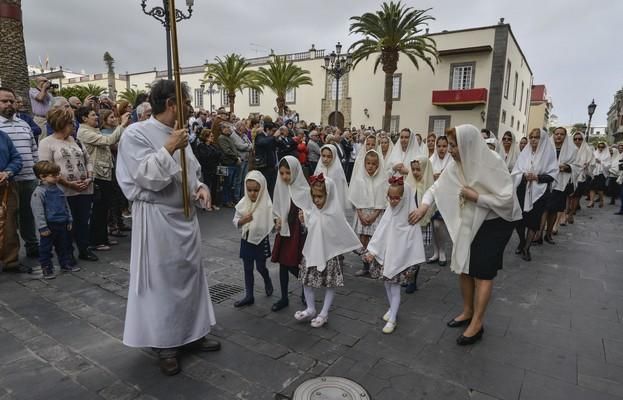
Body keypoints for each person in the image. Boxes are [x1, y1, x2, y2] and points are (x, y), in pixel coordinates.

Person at [115, 79, 219, 376]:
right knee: (163, 281)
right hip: (157, 218)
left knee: (190, 277)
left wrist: (200, 188)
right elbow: (143, 176)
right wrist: (169, 147)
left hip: (185, 218)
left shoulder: (180, 134)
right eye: (185, 102)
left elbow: (192, 172)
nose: (189, 107)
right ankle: (166, 343)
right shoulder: (136, 134)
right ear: (172, 104)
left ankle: (193, 334)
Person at [409, 124, 522, 346]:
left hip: (495, 224)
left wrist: (477, 197)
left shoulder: (493, 163)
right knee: (463, 268)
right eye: (449, 146)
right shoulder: (457, 164)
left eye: (453, 146)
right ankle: (467, 311)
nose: (449, 150)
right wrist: (424, 207)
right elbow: (436, 187)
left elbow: (507, 200)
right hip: (470, 221)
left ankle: (477, 323)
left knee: (482, 274)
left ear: (468, 145)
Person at [296, 173, 361, 328]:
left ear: (329, 195)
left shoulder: (335, 215)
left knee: (329, 284)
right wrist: (304, 219)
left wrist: (361, 250)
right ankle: (310, 308)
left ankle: (324, 313)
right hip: (312, 251)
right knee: (306, 280)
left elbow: (345, 233)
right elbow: (311, 227)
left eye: (320, 196)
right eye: (314, 196)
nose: (316, 200)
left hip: (330, 255)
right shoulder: (313, 210)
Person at [364, 176, 426, 333]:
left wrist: (407, 259)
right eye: (390, 198)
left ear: (403, 197)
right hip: (387, 256)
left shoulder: (409, 217)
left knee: (395, 287)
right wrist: (373, 250)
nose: (392, 202)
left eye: (396, 198)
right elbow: (381, 231)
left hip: (399, 259)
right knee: (387, 283)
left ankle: (393, 319)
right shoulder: (390, 212)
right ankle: (392, 309)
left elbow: (412, 239)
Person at [38, 107, 97, 262]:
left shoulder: (76, 140)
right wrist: (69, 184)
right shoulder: (46, 143)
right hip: (63, 192)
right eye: (71, 122)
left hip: (85, 189)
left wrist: (89, 177)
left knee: (83, 221)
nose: (74, 125)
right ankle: (67, 254)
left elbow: (88, 160)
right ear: (61, 123)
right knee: (66, 225)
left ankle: (84, 249)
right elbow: (46, 169)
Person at [77, 106, 130, 251]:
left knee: (105, 207)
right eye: (93, 115)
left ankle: (103, 238)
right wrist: (122, 125)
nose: (96, 117)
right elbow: (108, 140)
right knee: (98, 210)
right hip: (97, 174)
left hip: (104, 172)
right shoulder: (84, 132)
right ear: (84, 118)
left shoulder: (93, 130)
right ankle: (96, 241)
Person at [0, 87, 40, 260]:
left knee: (28, 214)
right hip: (10, 181)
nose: (9, 104)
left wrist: (38, 170)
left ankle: (31, 246)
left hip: (29, 177)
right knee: (8, 219)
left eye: (11, 101)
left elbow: (33, 150)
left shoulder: (24, 124)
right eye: (4, 101)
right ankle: (9, 253)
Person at [271, 156, 311, 312]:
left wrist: (305, 217)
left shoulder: (305, 190)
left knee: (294, 263)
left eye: (288, 173)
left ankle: (305, 289)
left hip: (298, 233)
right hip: (285, 231)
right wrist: (277, 219)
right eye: (281, 173)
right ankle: (283, 297)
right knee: (283, 264)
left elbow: (310, 210)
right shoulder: (280, 186)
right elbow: (276, 207)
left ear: (295, 171)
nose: (285, 177)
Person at [511, 128, 558, 261]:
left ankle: (526, 248)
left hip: (540, 193)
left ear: (542, 139)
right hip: (522, 189)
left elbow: (553, 175)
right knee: (518, 220)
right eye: (531, 137)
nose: (533, 139)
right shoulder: (524, 153)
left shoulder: (549, 154)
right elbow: (516, 171)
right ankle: (522, 241)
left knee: (533, 221)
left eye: (536, 137)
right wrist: (524, 176)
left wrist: (537, 177)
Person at [30, 160, 79, 279]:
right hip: (49, 225)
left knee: (64, 245)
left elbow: (66, 205)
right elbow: (38, 212)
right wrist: (42, 227)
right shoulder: (39, 192)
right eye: (54, 175)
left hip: (63, 223)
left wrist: (70, 219)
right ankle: (46, 268)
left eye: (58, 174)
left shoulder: (59, 189)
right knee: (46, 248)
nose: (57, 177)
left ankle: (65, 263)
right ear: (42, 176)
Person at [232, 171, 274, 307]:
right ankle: (249, 295)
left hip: (261, 240)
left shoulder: (267, 204)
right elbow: (236, 220)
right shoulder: (243, 203)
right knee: (247, 268)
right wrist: (242, 220)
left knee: (261, 266)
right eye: (249, 190)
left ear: (262, 189)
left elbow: (272, 224)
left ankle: (267, 280)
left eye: (256, 190)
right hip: (246, 239)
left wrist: (277, 224)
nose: (252, 193)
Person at [348, 150, 387, 277]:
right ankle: (365, 266)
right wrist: (360, 214)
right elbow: (355, 197)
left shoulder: (382, 179)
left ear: (378, 165)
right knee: (363, 239)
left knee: (374, 240)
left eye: (373, 164)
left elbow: (383, 200)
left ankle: (375, 267)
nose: (370, 166)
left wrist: (374, 215)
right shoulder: (359, 179)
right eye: (368, 163)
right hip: (362, 212)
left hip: (376, 213)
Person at [539, 127, 577, 240]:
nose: (559, 136)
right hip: (546, 182)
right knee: (544, 209)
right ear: (553, 135)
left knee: (554, 210)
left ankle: (549, 234)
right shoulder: (545, 148)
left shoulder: (572, 150)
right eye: (556, 134)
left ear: (565, 136)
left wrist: (566, 167)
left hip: (561, 183)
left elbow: (577, 166)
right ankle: (539, 234)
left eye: (561, 134)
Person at [404, 155, 435, 293]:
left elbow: (431, 205)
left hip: (422, 224)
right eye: (413, 169)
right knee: (407, 251)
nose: (415, 172)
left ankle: (413, 280)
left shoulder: (429, 186)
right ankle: (407, 276)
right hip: (409, 223)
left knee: (417, 252)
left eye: (419, 169)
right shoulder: (408, 184)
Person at [0, 129, 22, 271]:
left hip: (6, 186)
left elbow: (16, 159)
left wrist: (7, 172)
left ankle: (11, 261)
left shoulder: (2, 136)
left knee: (9, 224)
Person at [428, 135, 452, 266]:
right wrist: (433, 176)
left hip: (446, 197)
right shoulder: (431, 160)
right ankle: (435, 252)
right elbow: (426, 177)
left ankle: (442, 251)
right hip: (433, 196)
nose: (441, 149)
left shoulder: (452, 160)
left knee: (439, 225)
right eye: (439, 146)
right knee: (433, 226)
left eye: (444, 146)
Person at [567, 132, 594, 223]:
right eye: (575, 139)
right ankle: (567, 212)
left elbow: (592, 163)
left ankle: (571, 214)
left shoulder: (587, 150)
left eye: (580, 139)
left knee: (576, 196)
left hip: (581, 177)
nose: (577, 141)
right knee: (569, 196)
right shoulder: (569, 149)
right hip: (570, 176)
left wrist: (588, 165)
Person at [193, 129, 222, 211]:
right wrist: (214, 155)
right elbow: (204, 157)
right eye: (211, 136)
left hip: (215, 168)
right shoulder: (201, 146)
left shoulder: (213, 145)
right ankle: (206, 204)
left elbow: (219, 153)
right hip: (207, 169)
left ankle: (213, 203)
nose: (213, 138)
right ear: (206, 137)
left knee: (214, 187)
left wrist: (214, 154)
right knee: (207, 187)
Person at [314, 144, 349, 209]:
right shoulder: (319, 169)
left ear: (334, 157)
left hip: (334, 204)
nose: (325, 159)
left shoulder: (337, 171)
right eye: (323, 156)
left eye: (329, 156)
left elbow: (339, 191)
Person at [217, 123, 241, 208]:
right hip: (227, 163)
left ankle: (229, 200)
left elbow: (233, 149)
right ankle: (226, 201)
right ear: (223, 129)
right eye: (228, 128)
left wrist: (238, 156)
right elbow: (227, 151)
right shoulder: (221, 138)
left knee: (231, 184)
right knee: (226, 183)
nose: (230, 129)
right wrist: (236, 157)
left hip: (232, 163)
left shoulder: (228, 137)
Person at [254, 121, 280, 197]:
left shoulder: (270, 138)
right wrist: (274, 137)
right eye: (273, 131)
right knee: (265, 186)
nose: (273, 133)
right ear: (267, 129)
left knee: (272, 188)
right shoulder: (260, 136)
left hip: (272, 166)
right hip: (264, 166)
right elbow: (263, 142)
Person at [589, 142, 611, 208]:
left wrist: (601, 162)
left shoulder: (607, 155)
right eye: (599, 147)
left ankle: (601, 201)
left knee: (600, 189)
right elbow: (591, 161)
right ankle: (591, 201)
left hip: (602, 173)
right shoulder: (595, 153)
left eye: (602, 147)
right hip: (594, 173)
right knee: (591, 187)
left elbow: (608, 165)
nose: (600, 148)